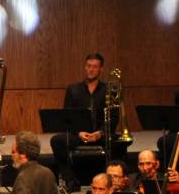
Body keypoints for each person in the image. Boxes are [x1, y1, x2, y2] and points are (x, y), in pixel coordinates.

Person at [49, 54, 129, 186]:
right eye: (89, 66)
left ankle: (113, 180)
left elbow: (114, 118)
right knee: (57, 141)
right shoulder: (73, 89)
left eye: (95, 67)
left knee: (122, 142)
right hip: (79, 135)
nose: (91, 69)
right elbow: (67, 116)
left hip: (101, 135)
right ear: (85, 67)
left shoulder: (110, 89)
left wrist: (100, 133)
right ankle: (71, 180)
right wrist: (79, 132)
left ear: (101, 69)